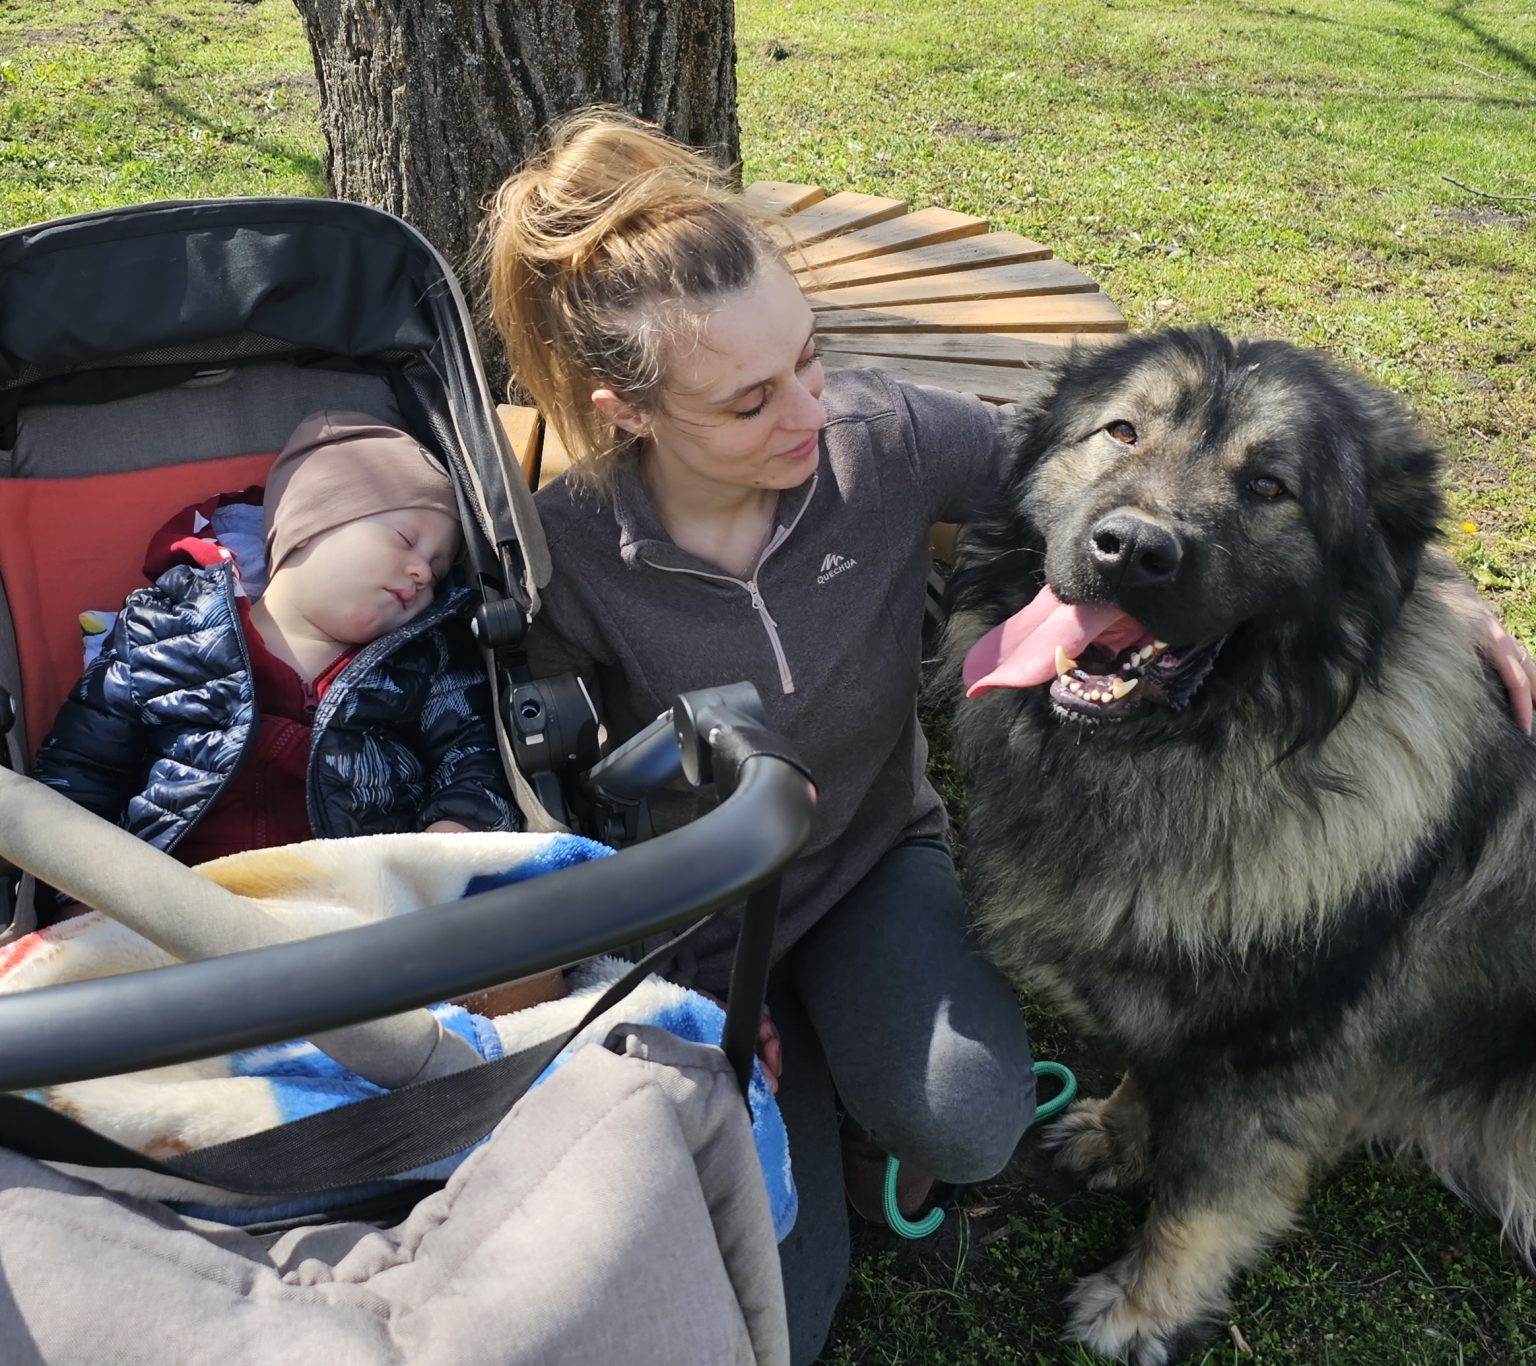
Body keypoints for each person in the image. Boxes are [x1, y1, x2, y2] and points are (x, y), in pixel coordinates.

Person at [481, 111, 1536, 1363]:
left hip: (868, 864)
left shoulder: (879, 441)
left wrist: (1444, 599)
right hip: (704, 920)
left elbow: (1107, 466)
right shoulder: (572, 554)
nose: (807, 411)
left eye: (812, 362)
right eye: (751, 398)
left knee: (975, 1122)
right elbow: (525, 777)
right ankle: (802, 1069)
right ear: (629, 414)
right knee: (789, 1312)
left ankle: (969, 1148)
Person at [32, 412, 532, 939]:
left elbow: (473, 758)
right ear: (307, 526)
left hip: (358, 913)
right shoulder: (163, 630)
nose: (423, 572)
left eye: (436, 566)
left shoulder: (427, 658)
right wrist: (74, 896)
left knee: (516, 941)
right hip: (176, 912)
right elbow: (77, 774)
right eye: (406, 539)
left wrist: (451, 837)